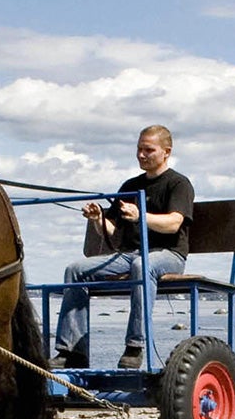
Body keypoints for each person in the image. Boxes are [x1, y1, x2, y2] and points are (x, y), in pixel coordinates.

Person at [51, 124, 194, 369]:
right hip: (130, 253)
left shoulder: (178, 183)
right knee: (74, 270)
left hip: (168, 255)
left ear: (166, 152)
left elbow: (173, 223)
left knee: (142, 265)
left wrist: (141, 215)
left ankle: (135, 345)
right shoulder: (129, 185)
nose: (141, 155)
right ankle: (72, 352)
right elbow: (114, 232)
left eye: (148, 150)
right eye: (139, 149)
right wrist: (98, 220)